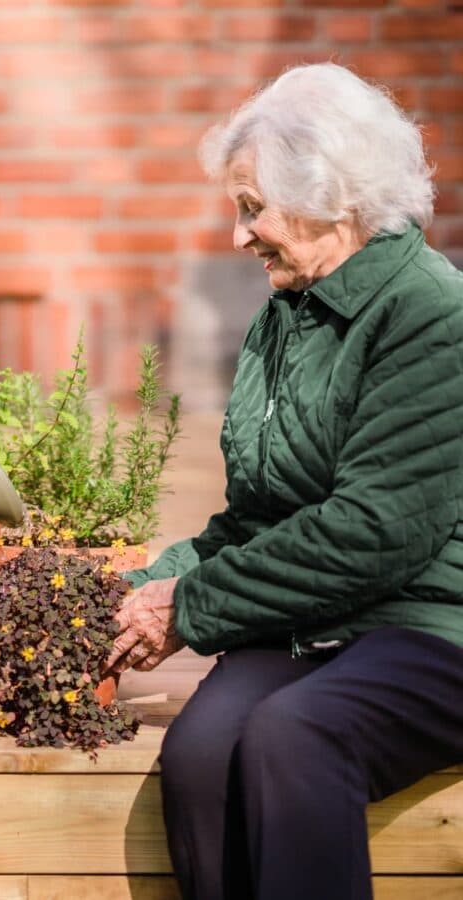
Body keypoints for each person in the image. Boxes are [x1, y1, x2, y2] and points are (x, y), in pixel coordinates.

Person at [104, 62, 463, 900]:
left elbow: (375, 530)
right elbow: (256, 517)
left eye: (252, 208)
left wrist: (190, 609)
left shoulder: (430, 314)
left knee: (294, 736)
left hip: (433, 626)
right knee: (200, 752)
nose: (239, 236)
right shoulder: (286, 315)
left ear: (333, 197)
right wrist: (137, 591)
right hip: (318, 624)